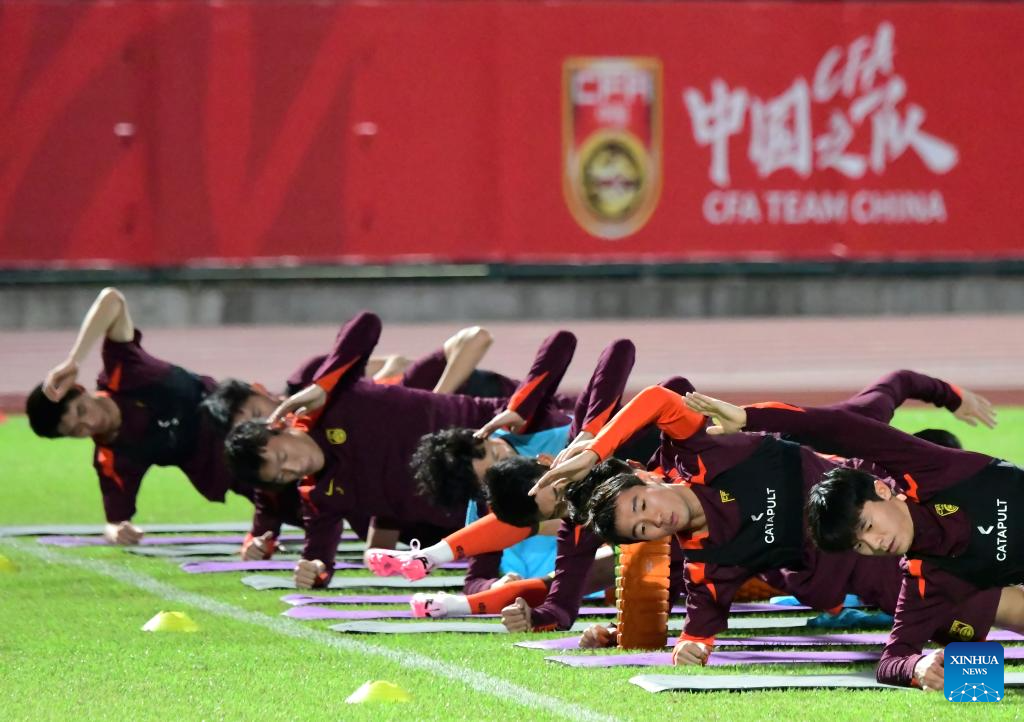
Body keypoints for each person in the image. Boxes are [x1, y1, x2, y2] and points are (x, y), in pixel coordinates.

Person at [534, 373, 1016, 665]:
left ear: (648, 478)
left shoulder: (706, 449)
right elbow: (697, 634)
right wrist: (686, 649)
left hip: (895, 519)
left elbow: (658, 398)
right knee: (1002, 618)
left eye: (643, 506)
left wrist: (596, 448)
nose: (655, 522)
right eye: (641, 530)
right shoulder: (707, 563)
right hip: (878, 579)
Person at [682, 388, 1024, 690]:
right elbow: (892, 661)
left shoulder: (931, 471)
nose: (874, 543)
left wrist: (749, 417)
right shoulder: (925, 580)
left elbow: (841, 427)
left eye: (868, 525)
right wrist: (916, 667)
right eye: (859, 545)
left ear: (881, 490)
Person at [224, 311, 576, 588]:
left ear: (279, 426)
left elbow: (367, 324)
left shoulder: (334, 401)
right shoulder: (318, 495)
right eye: (281, 475)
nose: (292, 468)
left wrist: (323, 385)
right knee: (546, 547)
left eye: (282, 457)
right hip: (485, 502)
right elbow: (320, 557)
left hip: (520, 434)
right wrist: (315, 571)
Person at [25, 287, 246, 544]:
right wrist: (117, 531)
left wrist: (74, 360)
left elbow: (112, 299)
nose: (90, 424)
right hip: (225, 462)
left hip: (241, 412)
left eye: (81, 411)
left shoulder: (122, 369)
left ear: (80, 389)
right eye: (76, 431)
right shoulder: (112, 458)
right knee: (279, 504)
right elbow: (114, 522)